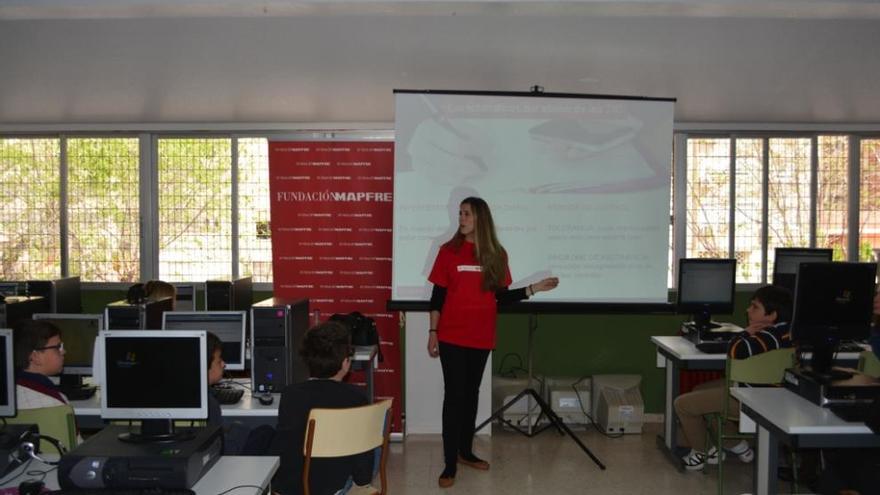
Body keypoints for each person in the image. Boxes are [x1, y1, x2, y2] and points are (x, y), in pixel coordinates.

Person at [426, 196, 559, 488]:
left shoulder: (496, 254)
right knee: (455, 396)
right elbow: (437, 297)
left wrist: (534, 288)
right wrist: (432, 332)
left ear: (480, 219)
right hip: (450, 334)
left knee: (471, 394)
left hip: (481, 335)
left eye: (467, 214)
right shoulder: (448, 252)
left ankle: (464, 451)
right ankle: (449, 465)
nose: (461, 218)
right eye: (460, 213)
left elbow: (500, 296)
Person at [674, 284, 792, 471]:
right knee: (699, 391)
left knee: (683, 404)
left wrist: (746, 332)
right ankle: (738, 446)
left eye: (754, 307)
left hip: (753, 400)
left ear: (771, 315)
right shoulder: (788, 331)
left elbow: (735, 351)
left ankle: (702, 452)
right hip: (775, 395)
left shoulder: (769, 336)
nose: (748, 310)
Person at [270, 322, 378, 495]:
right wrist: (362, 480)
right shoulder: (356, 397)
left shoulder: (290, 395)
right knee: (371, 443)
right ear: (345, 363)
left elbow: (285, 446)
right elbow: (363, 466)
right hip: (334, 486)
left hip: (292, 487)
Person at [13, 319, 71, 409]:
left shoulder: (9, 395)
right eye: (58, 347)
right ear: (35, 357)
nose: (63, 351)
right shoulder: (54, 402)